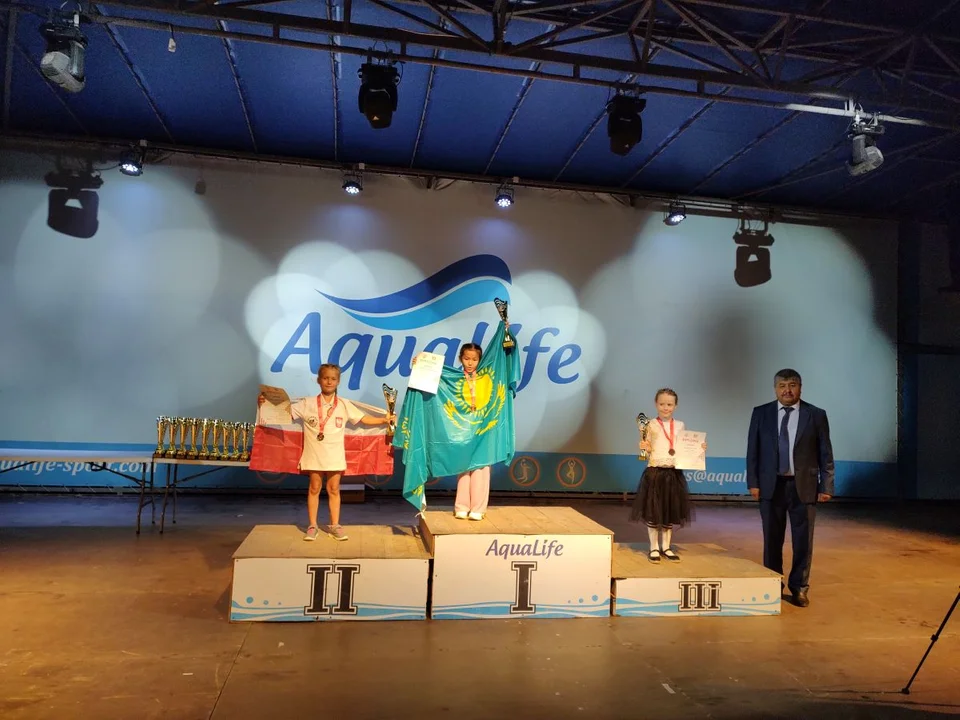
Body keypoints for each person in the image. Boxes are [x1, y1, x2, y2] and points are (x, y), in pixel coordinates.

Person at [258, 363, 394, 542]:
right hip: (314, 453)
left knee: (334, 489)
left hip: (334, 455)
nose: (329, 382)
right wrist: (265, 404)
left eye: (333, 379)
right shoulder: (307, 404)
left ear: (338, 382)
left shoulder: (344, 405)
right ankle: (312, 525)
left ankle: (334, 525)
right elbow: (283, 414)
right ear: (318, 380)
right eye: (325, 378)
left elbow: (364, 419)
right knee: (314, 487)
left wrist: (384, 420)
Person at [746, 368, 834, 608]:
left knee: (803, 541)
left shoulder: (816, 415)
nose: (787, 390)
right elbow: (753, 451)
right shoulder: (761, 413)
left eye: (792, 385)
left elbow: (825, 452)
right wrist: (753, 482)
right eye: (782, 386)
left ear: (800, 388)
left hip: (804, 486)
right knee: (771, 540)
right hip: (770, 486)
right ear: (775, 388)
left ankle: (799, 587)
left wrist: (826, 485)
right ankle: (773, 584)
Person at [630, 388, 703, 563]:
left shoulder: (680, 425)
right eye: (662, 404)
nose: (665, 407)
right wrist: (644, 447)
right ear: (656, 404)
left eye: (669, 404)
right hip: (655, 472)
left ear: (675, 406)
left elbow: (684, 448)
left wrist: (699, 448)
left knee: (670, 510)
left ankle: (666, 547)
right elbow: (646, 450)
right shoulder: (650, 425)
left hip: (673, 473)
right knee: (654, 512)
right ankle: (654, 547)